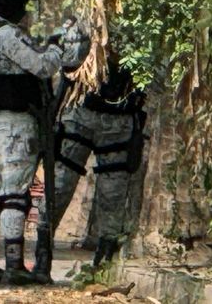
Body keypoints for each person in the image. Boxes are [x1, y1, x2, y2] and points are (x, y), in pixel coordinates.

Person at [0, 0, 89, 286]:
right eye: (21, 2)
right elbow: (43, 65)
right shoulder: (6, 33)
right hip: (15, 125)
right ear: (9, 1)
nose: (24, 10)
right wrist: (61, 44)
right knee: (14, 195)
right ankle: (14, 265)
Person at [32, 54, 147, 279]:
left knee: (112, 194)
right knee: (59, 186)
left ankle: (102, 266)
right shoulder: (90, 22)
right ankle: (42, 258)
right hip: (80, 113)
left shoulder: (141, 29)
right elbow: (68, 66)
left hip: (119, 121)